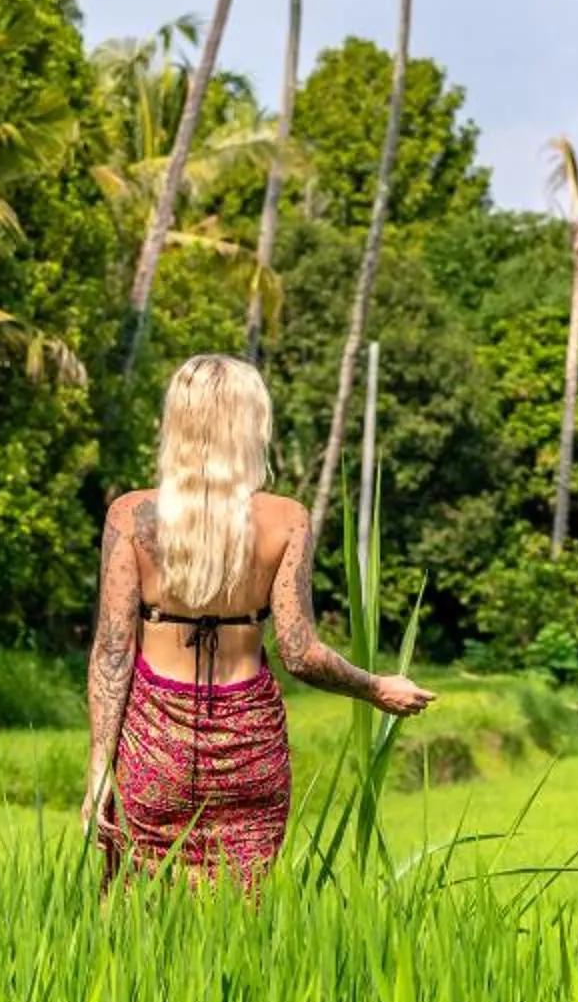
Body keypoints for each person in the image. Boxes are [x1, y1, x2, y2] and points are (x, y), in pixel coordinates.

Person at [84, 353, 432, 887]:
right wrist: (376, 686)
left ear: (177, 423)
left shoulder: (131, 515)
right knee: (243, 920)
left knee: (133, 917)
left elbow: (112, 654)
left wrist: (100, 768)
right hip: (249, 745)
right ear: (251, 426)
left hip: (155, 745)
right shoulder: (286, 518)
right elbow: (301, 654)